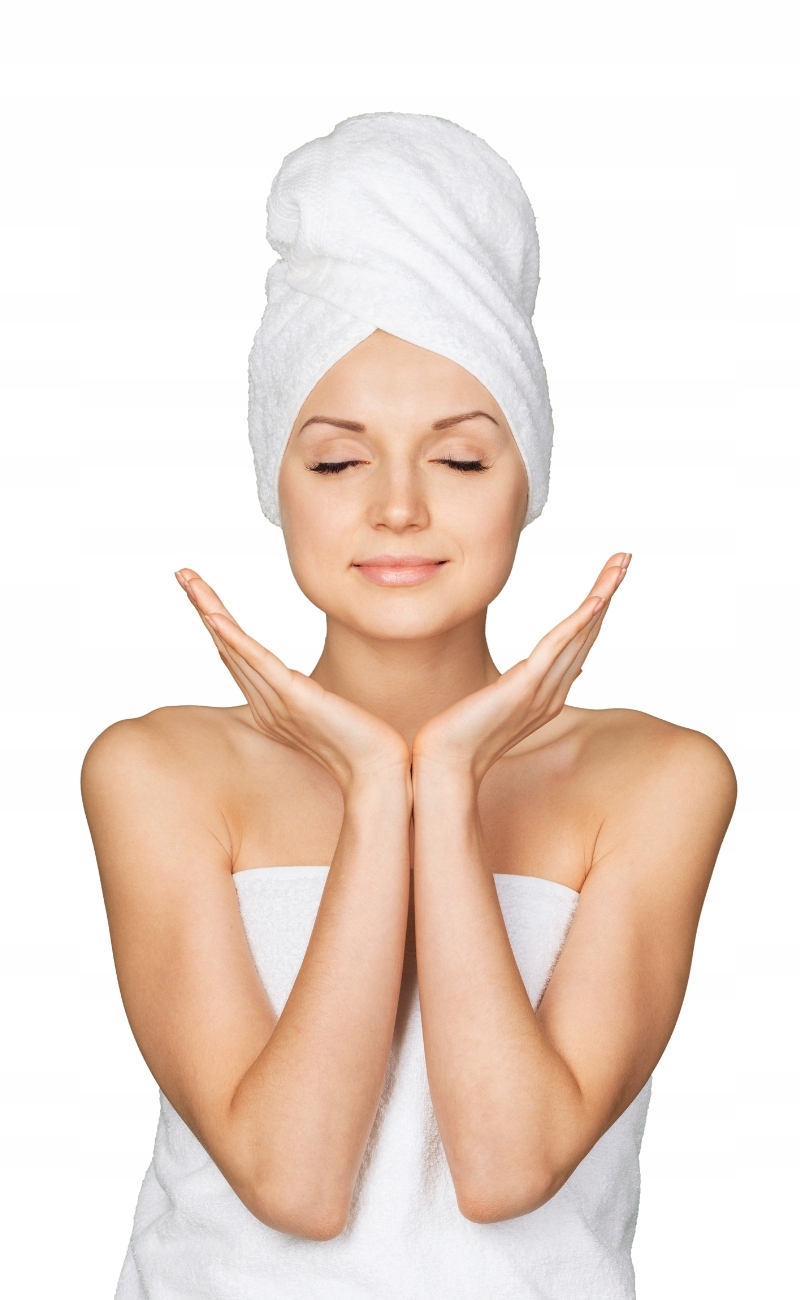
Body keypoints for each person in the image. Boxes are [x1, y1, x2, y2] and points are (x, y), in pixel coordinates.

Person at [82, 115, 736, 1299]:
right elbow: (293, 1178)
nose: (395, 507)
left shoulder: (656, 779)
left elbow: (506, 1164)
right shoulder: (156, 770)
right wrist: (380, 787)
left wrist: (443, 779)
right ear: (277, 483)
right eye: (337, 460)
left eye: (460, 458)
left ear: (525, 479)